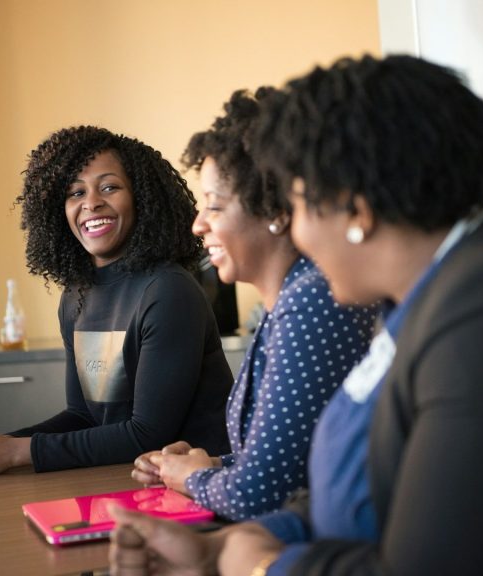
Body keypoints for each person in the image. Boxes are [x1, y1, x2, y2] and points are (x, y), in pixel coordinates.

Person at [108, 55, 483, 576]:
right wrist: (238, 542)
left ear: (356, 208)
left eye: (300, 205)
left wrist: (265, 566)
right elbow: (375, 477)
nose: (298, 236)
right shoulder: (444, 284)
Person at [131, 88, 377, 521]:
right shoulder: (289, 300)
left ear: (274, 210)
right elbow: (288, 464)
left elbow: (259, 495)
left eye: (214, 206)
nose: (198, 224)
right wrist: (202, 467)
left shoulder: (311, 302)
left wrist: (192, 479)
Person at [0, 126, 233, 476]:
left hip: (197, 489)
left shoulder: (168, 290)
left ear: (141, 198)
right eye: (75, 192)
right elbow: (83, 416)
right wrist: (0, 443)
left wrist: (14, 451)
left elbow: (146, 433)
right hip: (119, 476)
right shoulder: (76, 295)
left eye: (110, 187)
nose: (91, 203)